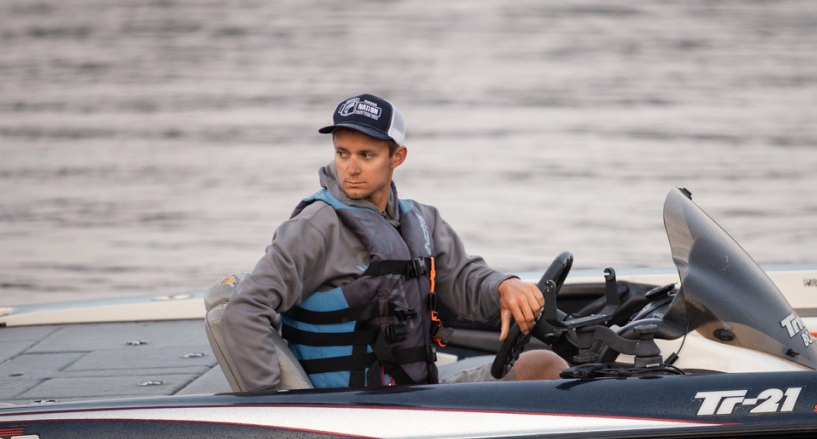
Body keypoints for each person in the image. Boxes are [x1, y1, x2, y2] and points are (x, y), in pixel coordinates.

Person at [220, 93, 568, 392]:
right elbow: (244, 310)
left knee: (545, 366)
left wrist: (504, 286)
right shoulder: (315, 227)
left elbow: (465, 281)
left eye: (366, 155)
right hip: (355, 412)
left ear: (397, 157)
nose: (350, 169)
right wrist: (273, 407)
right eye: (342, 153)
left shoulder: (423, 219)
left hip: (415, 394)